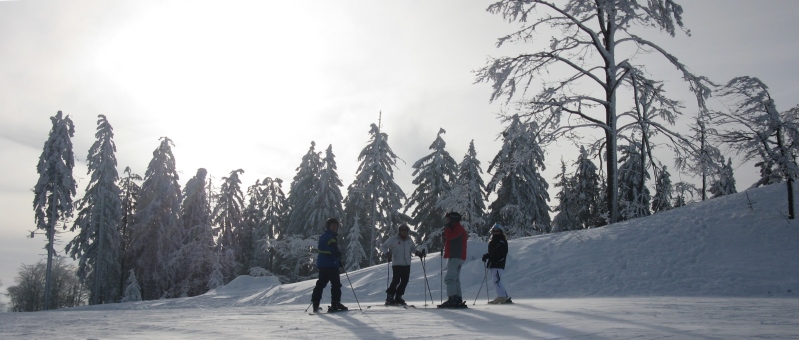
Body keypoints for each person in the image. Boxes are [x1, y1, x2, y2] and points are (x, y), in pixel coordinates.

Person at [381, 224, 426, 306]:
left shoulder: (409, 240)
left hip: (407, 264)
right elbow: (384, 246)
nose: (404, 232)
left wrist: (417, 253)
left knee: (405, 281)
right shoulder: (394, 239)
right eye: (402, 231)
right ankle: (390, 297)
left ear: (407, 231)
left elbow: (412, 248)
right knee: (396, 281)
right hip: (397, 263)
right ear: (399, 231)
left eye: (405, 231)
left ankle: (398, 296)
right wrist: (387, 253)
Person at [311, 218, 348, 313]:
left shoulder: (331, 236)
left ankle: (316, 302)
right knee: (335, 284)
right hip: (329, 265)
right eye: (333, 225)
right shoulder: (326, 236)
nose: (335, 227)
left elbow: (331, 251)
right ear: (328, 226)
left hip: (326, 264)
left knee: (321, 283)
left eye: (336, 226)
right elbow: (321, 248)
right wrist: (334, 253)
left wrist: (338, 260)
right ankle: (335, 303)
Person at [438, 211, 468, 308]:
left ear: (453, 219)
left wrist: (446, 229)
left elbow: (450, 237)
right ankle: (458, 298)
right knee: (455, 279)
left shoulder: (458, 228)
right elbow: (449, 240)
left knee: (449, 279)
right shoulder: (456, 228)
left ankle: (453, 299)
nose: (447, 221)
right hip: (456, 256)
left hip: (455, 256)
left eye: (448, 219)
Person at [482, 224, 512, 304]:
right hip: (492, 264)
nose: (495, 233)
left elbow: (503, 253)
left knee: (496, 280)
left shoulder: (502, 241)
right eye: (494, 231)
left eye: (497, 231)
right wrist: (486, 256)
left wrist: (495, 258)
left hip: (498, 264)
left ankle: (501, 296)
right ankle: (502, 296)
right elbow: (492, 253)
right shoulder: (492, 241)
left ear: (501, 232)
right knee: (495, 280)